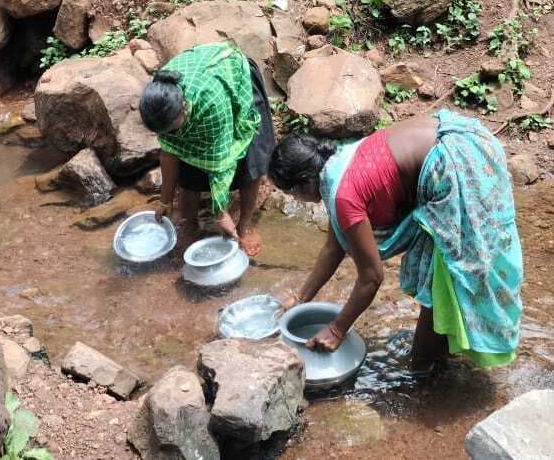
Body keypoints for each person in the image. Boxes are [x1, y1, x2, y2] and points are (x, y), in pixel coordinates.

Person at [268, 111, 522, 374]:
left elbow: (371, 277)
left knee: (443, 277)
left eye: (290, 193)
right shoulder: (339, 163)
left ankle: (423, 367)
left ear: (302, 184)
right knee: (441, 272)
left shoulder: (344, 196)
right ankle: (442, 351)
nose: (295, 199)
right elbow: (333, 248)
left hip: (456, 166)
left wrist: (336, 329)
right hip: (467, 139)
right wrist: (300, 298)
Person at [139, 42, 275, 256]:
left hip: (234, 80)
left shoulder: (211, 103)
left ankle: (244, 225)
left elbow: (221, 162)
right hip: (203, 86)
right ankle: (189, 223)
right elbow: (169, 151)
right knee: (189, 166)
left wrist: (220, 213)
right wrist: (165, 200)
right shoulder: (158, 99)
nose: (170, 136)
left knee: (251, 162)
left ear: (184, 107)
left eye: (172, 130)